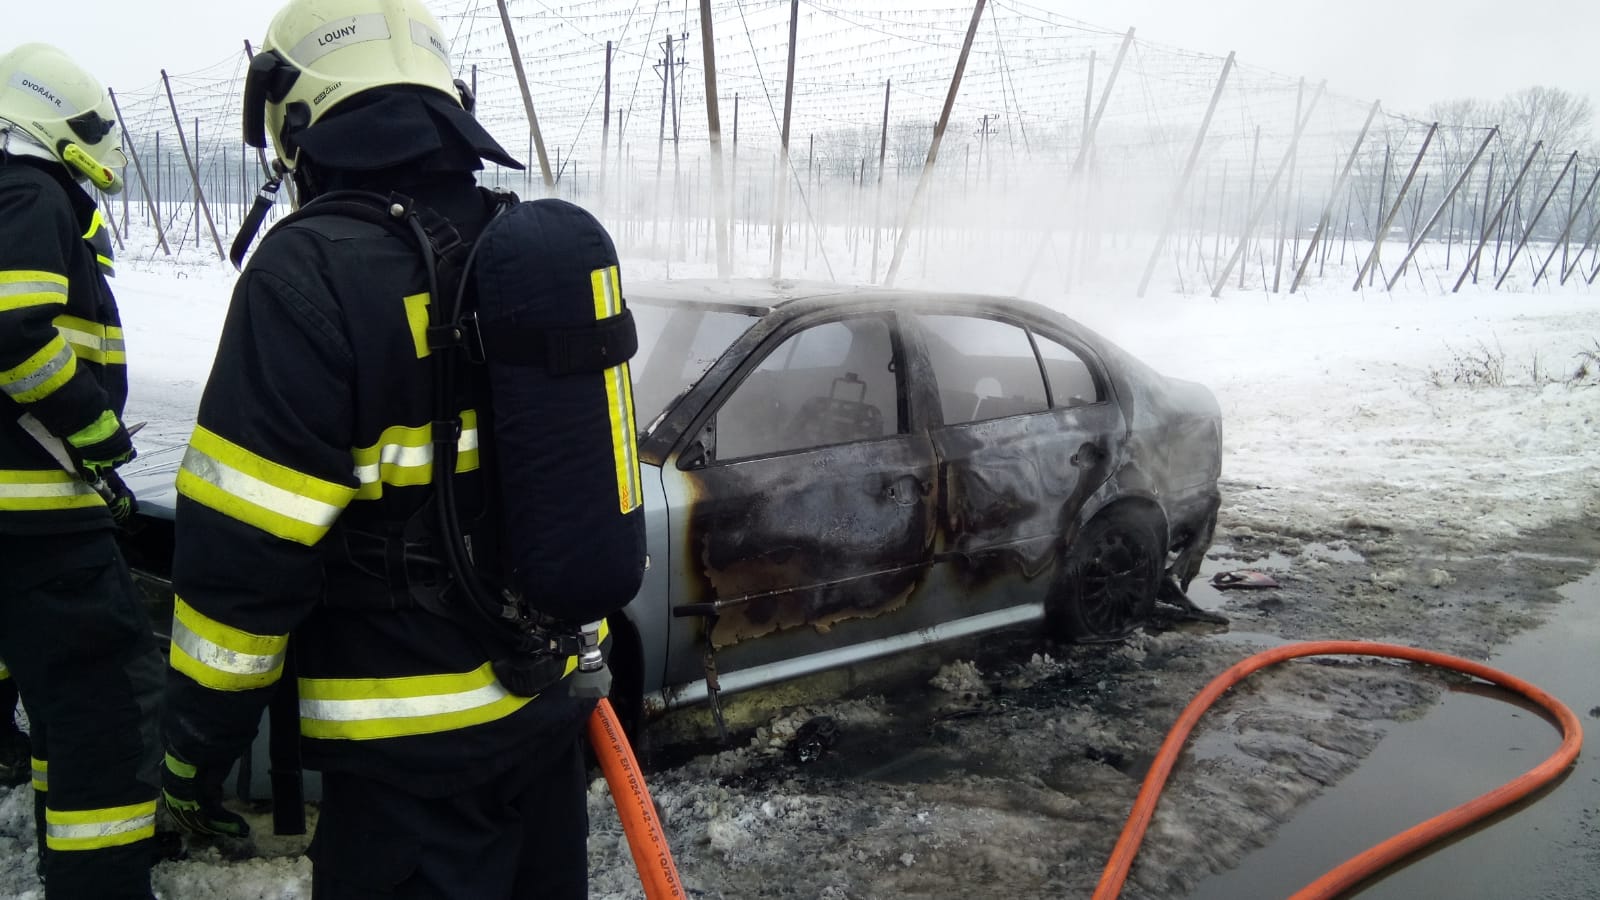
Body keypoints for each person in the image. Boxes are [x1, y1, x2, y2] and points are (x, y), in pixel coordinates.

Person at [160, 1, 598, 896]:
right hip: (543, 729)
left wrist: (192, 755)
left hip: (406, 770)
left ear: (293, 114)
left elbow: (244, 560)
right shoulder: (519, 247)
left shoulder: (308, 273)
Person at [0, 42, 163, 899]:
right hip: (37, 529)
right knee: (106, 710)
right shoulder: (30, 190)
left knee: (59, 703)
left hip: (29, 514)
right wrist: (95, 429)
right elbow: (13, 329)